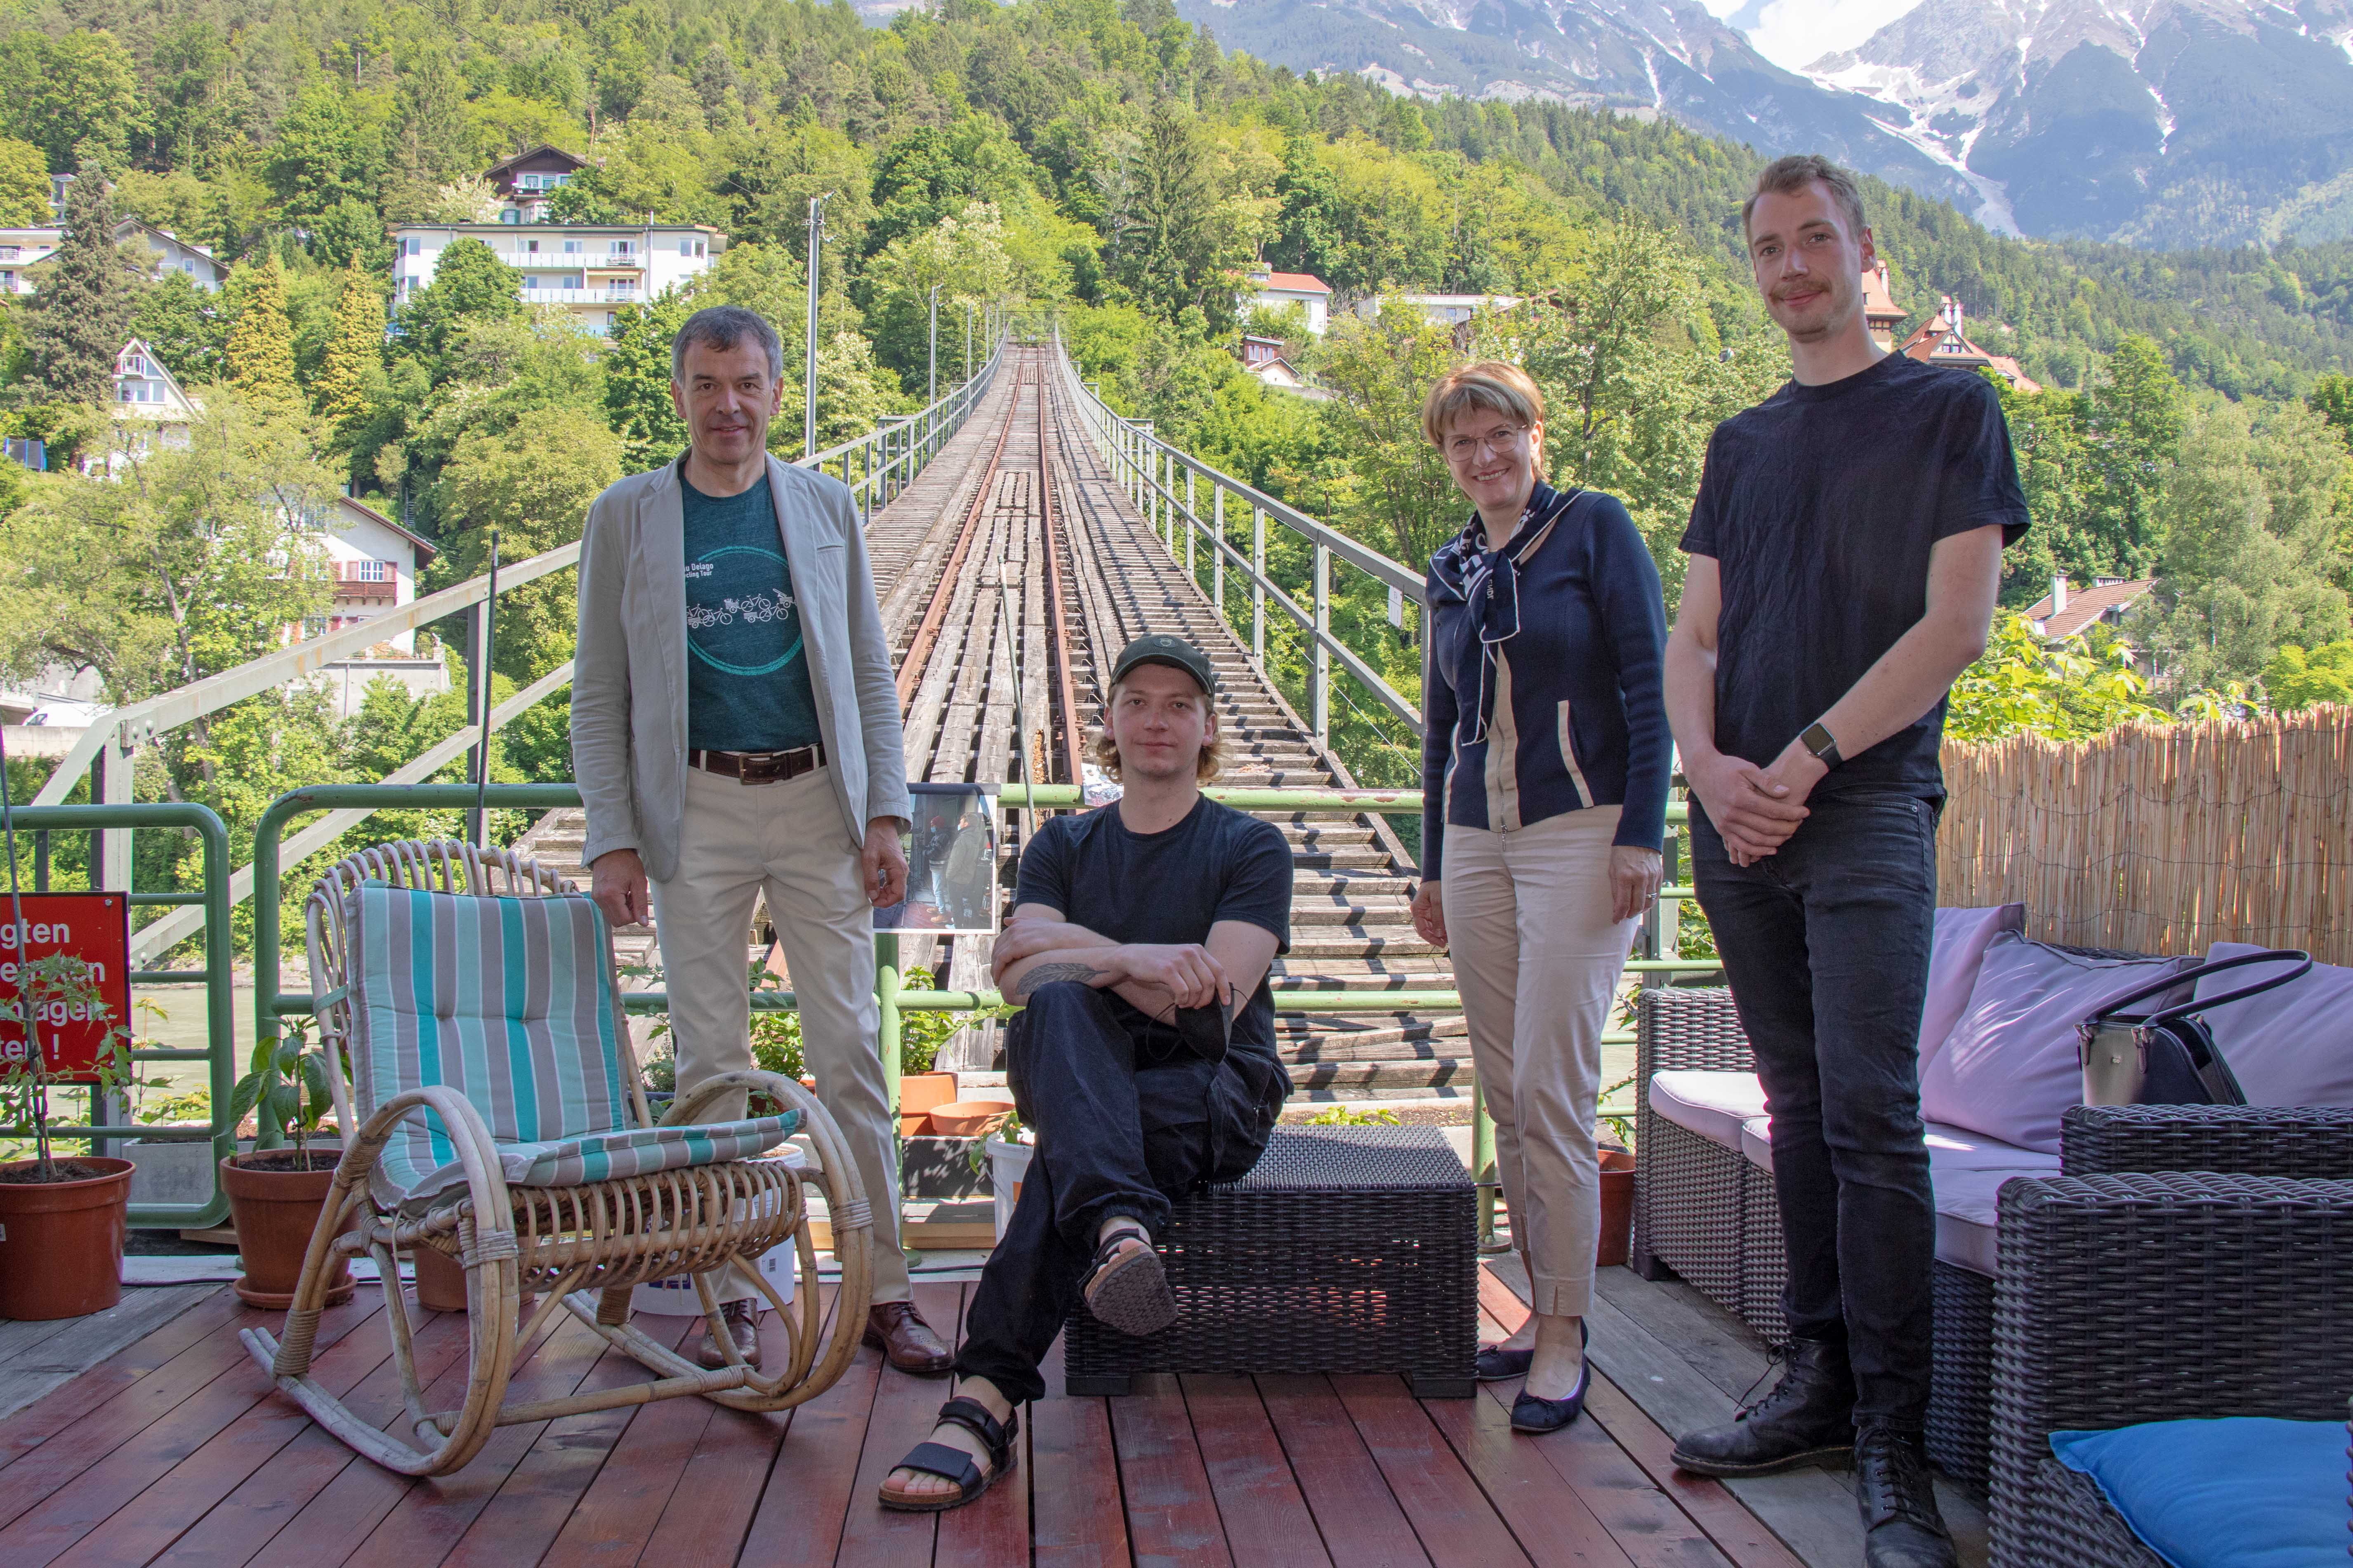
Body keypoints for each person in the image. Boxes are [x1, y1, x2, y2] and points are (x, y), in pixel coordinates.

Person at [1662, 156, 2025, 1568]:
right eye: (1768, 247)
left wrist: (1805, 759)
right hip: (1736, 821)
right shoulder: (1740, 444)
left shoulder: (1949, 409)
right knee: (1797, 1106)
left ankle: (1892, 1447)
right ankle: (1815, 1384)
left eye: (1815, 240)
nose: (1791, 268)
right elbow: (1696, 637)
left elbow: (1957, 626)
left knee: (1874, 1116)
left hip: (1862, 809)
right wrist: (1708, 772)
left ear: (1866, 258)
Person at [571, 304, 955, 1377]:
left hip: (817, 802)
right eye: (706, 384)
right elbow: (598, 693)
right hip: (693, 809)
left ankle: (882, 1292)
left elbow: (869, 670)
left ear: (777, 393)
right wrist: (612, 839)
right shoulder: (627, 516)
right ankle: (732, 1289)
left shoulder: (825, 506)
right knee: (711, 1066)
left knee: (851, 1054)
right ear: (679, 394)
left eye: (746, 384)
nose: (727, 406)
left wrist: (886, 814)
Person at [876, 634, 1292, 1512]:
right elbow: (1019, 978)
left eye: (1178, 705)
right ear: (1110, 720)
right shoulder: (1061, 846)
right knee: (1060, 1006)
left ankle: (985, 1396)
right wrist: (1140, 958)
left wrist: (1081, 950)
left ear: (1208, 726)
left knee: (1076, 1138)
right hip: (1081, 1069)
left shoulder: (1250, 847)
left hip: (1211, 1087)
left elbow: (1212, 1011)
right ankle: (1119, 1229)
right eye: (1137, 702)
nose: (1156, 721)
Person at [1406, 363, 1670, 1436]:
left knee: (1555, 1087)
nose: (1484, 457)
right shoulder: (1451, 569)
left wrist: (1644, 833)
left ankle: (1564, 1333)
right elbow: (1439, 728)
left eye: (1498, 434)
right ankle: (1537, 1303)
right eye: (1462, 442)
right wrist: (1431, 861)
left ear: (1534, 434)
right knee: (1508, 1090)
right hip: (1476, 838)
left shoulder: (1594, 529)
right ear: (1447, 458)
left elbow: (1650, 687)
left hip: (1581, 830)